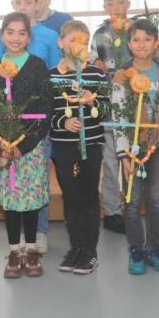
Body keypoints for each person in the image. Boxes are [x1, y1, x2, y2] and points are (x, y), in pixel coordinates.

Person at [0, 0, 61, 252]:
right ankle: (14, 244)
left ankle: (37, 235)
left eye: (28, 1)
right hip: (5, 134)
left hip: (33, 132)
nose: (16, 38)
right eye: (17, 1)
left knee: (34, 185)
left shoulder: (45, 47)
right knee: (11, 188)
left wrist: (29, 137)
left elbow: (49, 91)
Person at [0, 12, 53, 278]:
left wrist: (26, 144)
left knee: (30, 201)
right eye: (10, 32)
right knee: (11, 201)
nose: (16, 38)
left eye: (22, 33)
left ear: (28, 37)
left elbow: (46, 107)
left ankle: (31, 250)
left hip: (29, 148)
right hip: (3, 148)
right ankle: (14, 252)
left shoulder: (37, 66)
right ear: (2, 36)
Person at [113, 19, 159, 275]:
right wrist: (123, 155)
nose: (142, 45)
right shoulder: (122, 74)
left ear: (156, 43)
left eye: (147, 39)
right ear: (129, 44)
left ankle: (154, 248)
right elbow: (118, 116)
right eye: (136, 40)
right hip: (131, 149)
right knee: (131, 201)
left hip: (157, 147)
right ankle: (136, 250)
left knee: (155, 200)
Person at [49, 21, 109, 275]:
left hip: (92, 145)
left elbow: (107, 109)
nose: (76, 45)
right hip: (64, 148)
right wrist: (63, 122)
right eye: (71, 40)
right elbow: (47, 114)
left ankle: (90, 250)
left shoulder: (96, 74)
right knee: (71, 197)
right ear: (60, 43)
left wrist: (92, 102)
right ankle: (75, 247)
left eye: (82, 40)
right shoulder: (51, 76)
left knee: (89, 196)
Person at [90, 0, 137, 234]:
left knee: (134, 158)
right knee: (110, 162)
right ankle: (111, 211)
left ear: (128, 3)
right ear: (104, 7)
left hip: (135, 105)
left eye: (120, 2)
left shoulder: (138, 31)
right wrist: (97, 62)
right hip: (108, 107)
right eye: (110, 4)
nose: (116, 7)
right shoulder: (99, 34)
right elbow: (91, 61)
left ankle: (132, 206)